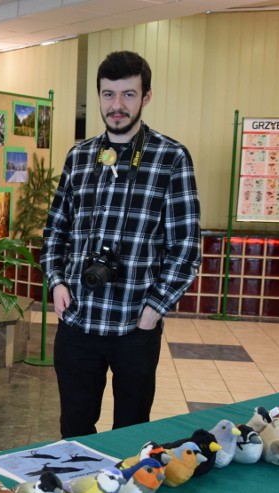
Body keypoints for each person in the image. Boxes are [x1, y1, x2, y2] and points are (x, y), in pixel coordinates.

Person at [41, 51, 201, 438]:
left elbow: (186, 246)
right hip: (78, 320)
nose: (116, 105)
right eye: (108, 94)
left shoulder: (171, 158)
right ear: (98, 96)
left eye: (128, 94)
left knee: (131, 431)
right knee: (74, 428)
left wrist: (155, 308)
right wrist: (57, 282)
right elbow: (54, 232)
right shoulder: (79, 157)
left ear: (146, 97)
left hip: (136, 325)